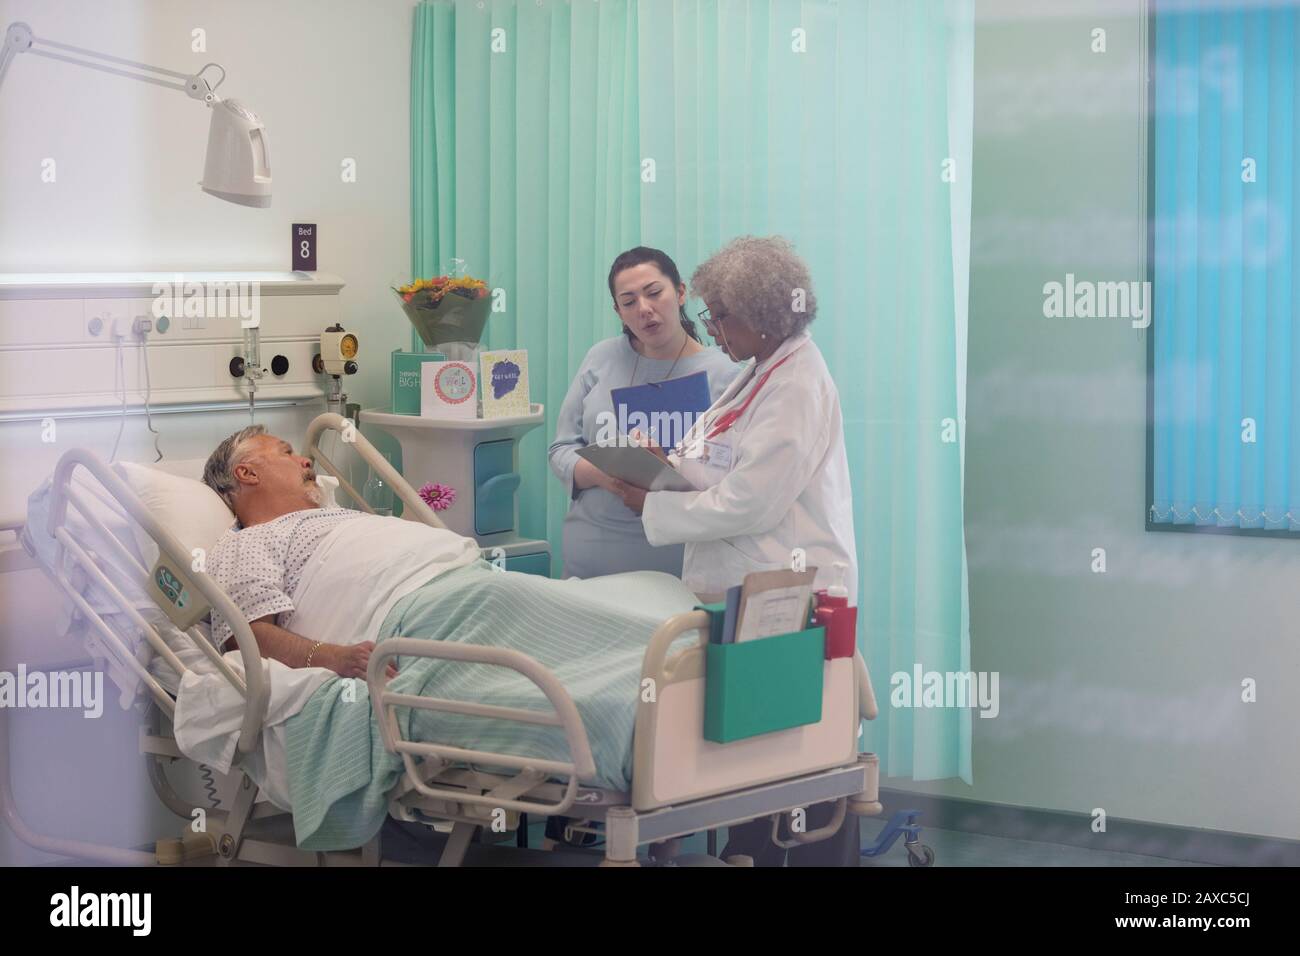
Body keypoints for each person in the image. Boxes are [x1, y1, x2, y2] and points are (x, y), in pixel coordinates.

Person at [610, 235, 861, 866]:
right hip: (738, 583)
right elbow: (718, 466)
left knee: (778, 760)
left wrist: (655, 505)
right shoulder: (757, 374)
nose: (713, 327)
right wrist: (661, 466)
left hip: (783, 587)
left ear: (763, 314)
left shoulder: (797, 383)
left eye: (722, 315)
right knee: (747, 758)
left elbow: (751, 501)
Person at [548, 246, 740, 579]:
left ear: (680, 293)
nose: (645, 309)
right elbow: (561, 449)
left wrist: (668, 471)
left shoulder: (726, 374)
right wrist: (603, 476)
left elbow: (734, 481)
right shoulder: (601, 359)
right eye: (629, 302)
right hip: (591, 563)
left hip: (678, 566)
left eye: (654, 293)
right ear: (618, 311)